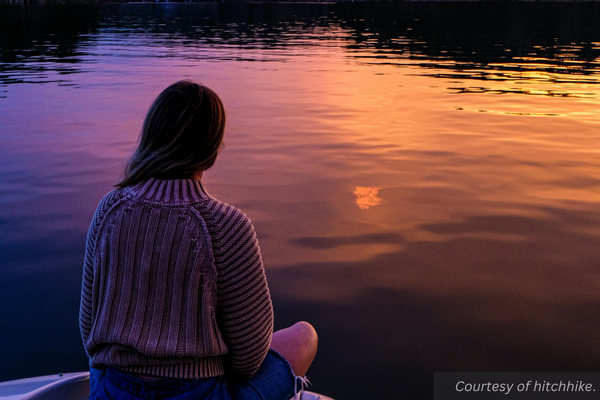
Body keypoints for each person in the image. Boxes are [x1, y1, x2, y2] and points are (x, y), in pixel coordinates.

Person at [79, 80, 318, 400]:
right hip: (198, 393)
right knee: (304, 336)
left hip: (112, 391)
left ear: (150, 135)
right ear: (212, 148)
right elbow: (248, 360)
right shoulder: (227, 225)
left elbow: (88, 329)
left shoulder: (110, 208)